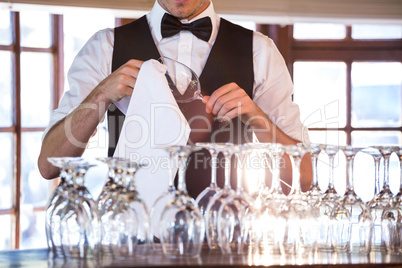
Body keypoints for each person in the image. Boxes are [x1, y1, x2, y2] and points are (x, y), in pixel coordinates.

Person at [38, 0, 312, 198]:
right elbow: (49, 165)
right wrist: (101, 94)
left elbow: (305, 177)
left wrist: (256, 116)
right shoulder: (104, 48)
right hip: (132, 240)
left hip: (226, 240)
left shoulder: (259, 51)